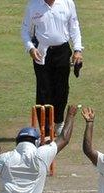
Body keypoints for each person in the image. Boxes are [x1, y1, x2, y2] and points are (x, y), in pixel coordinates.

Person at [21, 0, 83, 133]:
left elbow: (74, 26)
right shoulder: (33, 5)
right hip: (41, 52)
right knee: (43, 90)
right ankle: (46, 127)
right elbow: (26, 30)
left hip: (62, 51)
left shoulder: (67, 3)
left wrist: (77, 49)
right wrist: (30, 48)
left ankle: (58, 122)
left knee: (62, 88)